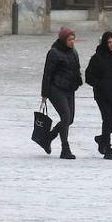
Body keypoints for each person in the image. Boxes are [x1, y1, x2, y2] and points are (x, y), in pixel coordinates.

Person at [84, 31, 112, 160]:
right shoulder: (97, 58)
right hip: (102, 95)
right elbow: (89, 76)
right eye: (109, 42)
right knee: (107, 119)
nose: (111, 45)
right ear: (104, 42)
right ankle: (108, 148)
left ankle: (101, 138)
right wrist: (100, 84)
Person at [40, 26, 83, 160]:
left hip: (69, 88)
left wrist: (78, 80)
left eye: (73, 39)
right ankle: (65, 149)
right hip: (56, 89)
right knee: (65, 116)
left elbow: (76, 68)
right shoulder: (54, 53)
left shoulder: (73, 51)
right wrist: (44, 94)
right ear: (63, 40)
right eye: (70, 39)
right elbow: (47, 74)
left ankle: (48, 137)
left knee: (69, 119)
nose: (72, 42)